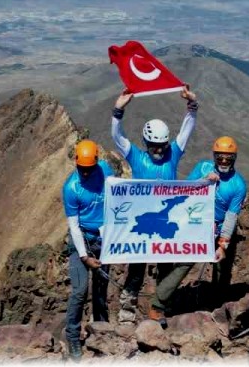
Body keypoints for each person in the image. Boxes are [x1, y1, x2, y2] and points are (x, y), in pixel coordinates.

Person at [109, 85, 197, 324]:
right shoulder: (136, 156)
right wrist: (118, 110)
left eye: (162, 146)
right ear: (145, 143)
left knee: (166, 269)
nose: (158, 151)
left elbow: (186, 131)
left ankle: (160, 310)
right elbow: (118, 137)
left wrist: (192, 105)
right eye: (153, 146)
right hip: (143, 224)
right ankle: (127, 313)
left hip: (166, 223)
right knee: (136, 273)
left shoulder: (173, 154)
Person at [150, 136, 247, 317]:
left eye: (228, 158)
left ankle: (217, 307)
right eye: (220, 157)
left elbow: (231, 217)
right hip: (198, 225)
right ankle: (158, 304)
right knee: (184, 263)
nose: (224, 161)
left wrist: (222, 244)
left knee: (222, 270)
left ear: (234, 159)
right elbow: (185, 190)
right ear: (214, 156)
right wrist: (204, 181)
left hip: (220, 229)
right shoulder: (203, 167)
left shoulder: (238, 185)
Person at [62, 139, 113, 360]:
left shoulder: (105, 172)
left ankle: (101, 330)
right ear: (76, 164)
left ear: (96, 163)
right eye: (81, 169)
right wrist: (84, 256)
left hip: (104, 240)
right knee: (80, 290)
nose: (84, 173)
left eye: (88, 169)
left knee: (101, 289)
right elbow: (73, 225)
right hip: (81, 240)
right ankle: (73, 337)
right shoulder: (71, 188)